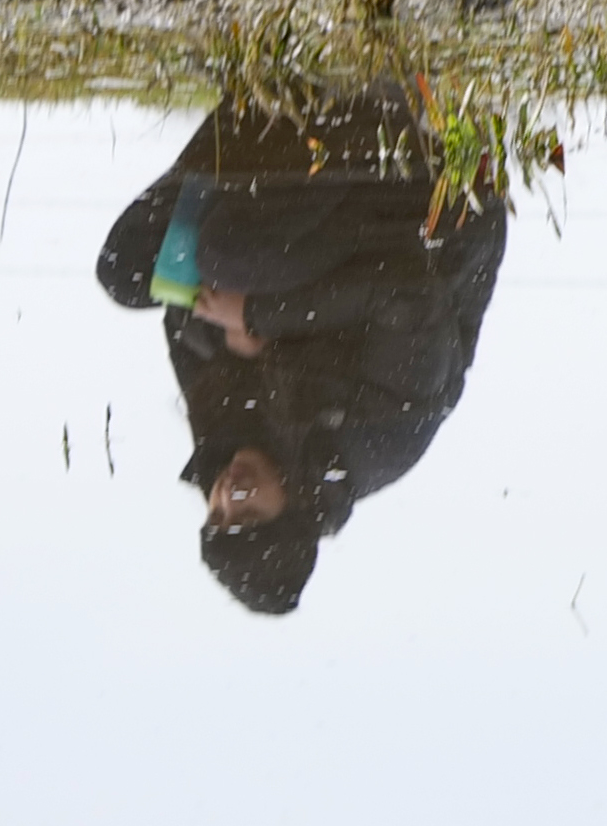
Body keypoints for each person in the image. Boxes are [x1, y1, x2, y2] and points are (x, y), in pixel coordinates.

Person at [93, 84, 505, 615]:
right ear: (295, 516)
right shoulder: (378, 440)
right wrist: (258, 317)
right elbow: (410, 294)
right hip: (435, 207)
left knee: (125, 272)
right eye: (249, 516)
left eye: (217, 516)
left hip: (333, 228)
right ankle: (360, 97)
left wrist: (238, 347)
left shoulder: (224, 432)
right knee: (226, 256)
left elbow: (179, 315)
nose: (228, 497)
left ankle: (266, 99)